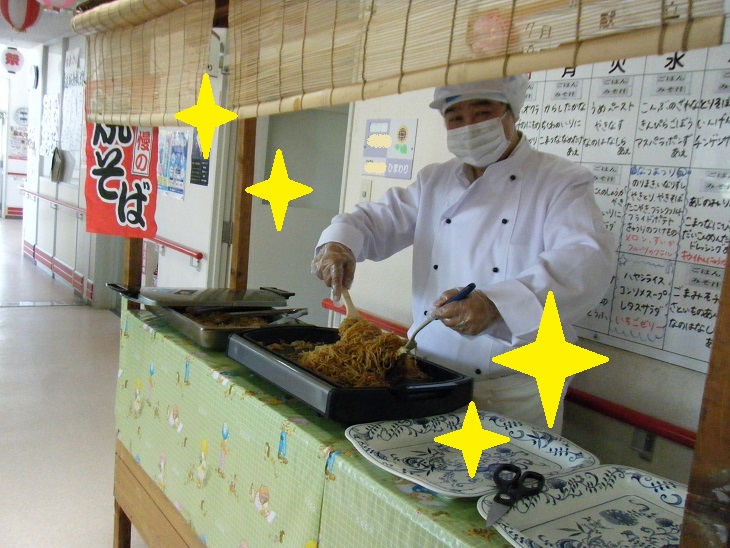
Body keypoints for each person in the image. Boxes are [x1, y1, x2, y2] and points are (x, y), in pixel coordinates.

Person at [311, 76, 616, 434]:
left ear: (511, 114)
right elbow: (377, 220)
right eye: (455, 117)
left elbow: (585, 261)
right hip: (426, 373)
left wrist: (496, 305)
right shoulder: (435, 180)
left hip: (511, 389)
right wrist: (340, 243)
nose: (469, 126)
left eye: (482, 112)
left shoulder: (560, 181)